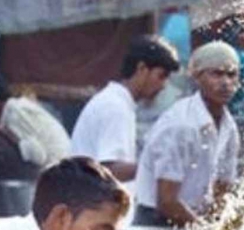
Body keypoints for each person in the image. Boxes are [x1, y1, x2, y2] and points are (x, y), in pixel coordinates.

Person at [132, 41, 240, 227]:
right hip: (157, 221)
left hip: (193, 219)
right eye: (216, 74)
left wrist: (219, 227)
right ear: (197, 77)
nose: (225, 82)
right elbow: (167, 202)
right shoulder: (181, 125)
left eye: (231, 75)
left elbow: (222, 191)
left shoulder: (229, 128)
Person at [70, 36, 181, 182]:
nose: (163, 86)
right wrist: (158, 165)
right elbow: (109, 170)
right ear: (141, 69)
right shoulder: (115, 107)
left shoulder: (118, 102)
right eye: (161, 76)